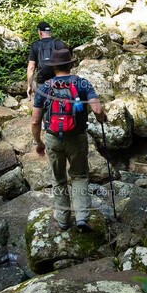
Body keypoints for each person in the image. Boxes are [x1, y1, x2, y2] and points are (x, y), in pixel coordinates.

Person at [30, 48, 106, 232]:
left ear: (53, 67)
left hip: (53, 138)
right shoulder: (83, 84)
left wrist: (39, 143)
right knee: (79, 175)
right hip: (77, 138)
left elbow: (35, 120)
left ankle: (63, 219)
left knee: (58, 178)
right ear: (71, 64)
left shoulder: (44, 87)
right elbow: (97, 110)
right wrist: (103, 117)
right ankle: (81, 218)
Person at [26, 21, 67, 99]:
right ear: (49, 32)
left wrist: (29, 85)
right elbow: (66, 64)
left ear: (40, 32)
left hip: (42, 82)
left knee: (40, 106)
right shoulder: (59, 43)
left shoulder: (35, 45)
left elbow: (31, 67)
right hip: (58, 80)